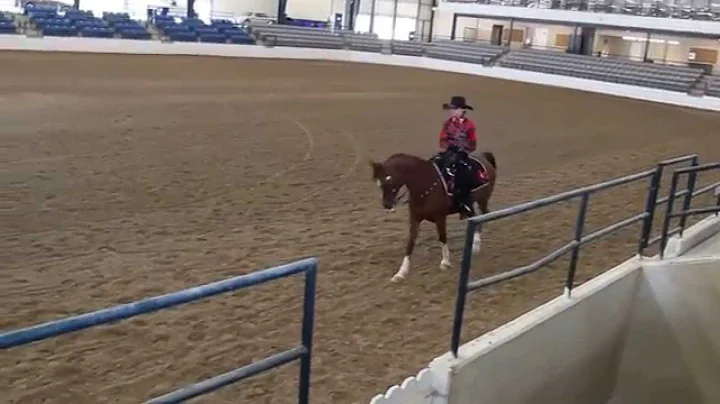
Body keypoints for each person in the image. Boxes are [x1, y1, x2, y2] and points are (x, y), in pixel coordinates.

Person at [438, 96, 477, 219]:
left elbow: (472, 143)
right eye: (451, 109)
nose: (451, 112)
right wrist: (446, 146)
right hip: (448, 151)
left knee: (463, 174)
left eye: (454, 109)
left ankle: (465, 203)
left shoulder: (470, 125)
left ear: (462, 110)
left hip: (462, 153)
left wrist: (462, 147)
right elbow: (442, 138)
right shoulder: (447, 123)